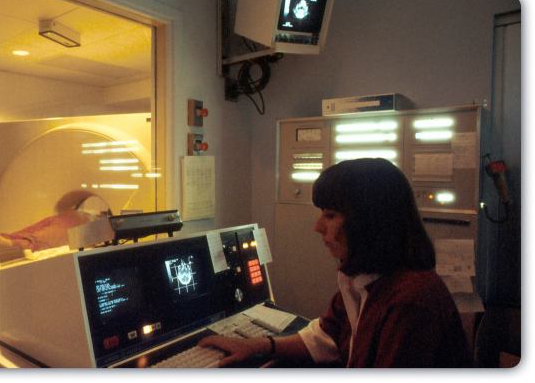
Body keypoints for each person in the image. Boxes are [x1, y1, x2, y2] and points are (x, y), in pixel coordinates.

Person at [198, 158, 473, 368]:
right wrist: (258, 345)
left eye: (330, 215)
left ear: (369, 222)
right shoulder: (366, 278)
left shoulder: (410, 300)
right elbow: (327, 337)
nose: (318, 227)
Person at [0, 190, 109, 252]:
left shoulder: (102, 226)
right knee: (32, 234)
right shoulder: (98, 220)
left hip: (69, 224)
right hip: (65, 220)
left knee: (40, 237)